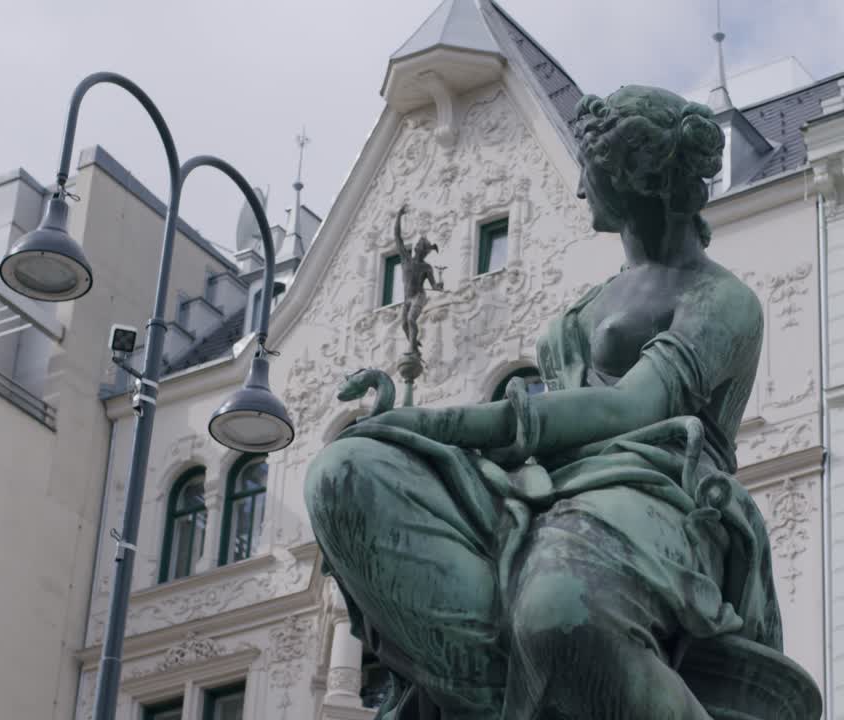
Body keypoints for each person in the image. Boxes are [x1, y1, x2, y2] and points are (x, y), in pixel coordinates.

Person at [306, 85, 783, 719]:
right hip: (541, 486)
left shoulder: (720, 300)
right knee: (344, 473)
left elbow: (631, 409)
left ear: (631, 177)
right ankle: (490, 688)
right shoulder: (588, 303)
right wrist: (407, 437)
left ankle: (541, 672)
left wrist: (442, 424)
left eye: (590, 172)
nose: (582, 191)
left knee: (559, 605)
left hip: (660, 493)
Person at [394, 204, 444, 354]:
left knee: (410, 320)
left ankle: (412, 348)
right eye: (422, 247)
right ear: (417, 248)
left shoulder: (426, 267)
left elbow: (434, 286)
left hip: (419, 296)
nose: (423, 251)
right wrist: (399, 215)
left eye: (426, 249)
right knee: (403, 324)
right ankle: (414, 345)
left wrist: (439, 285)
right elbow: (397, 237)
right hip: (407, 299)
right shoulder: (406, 259)